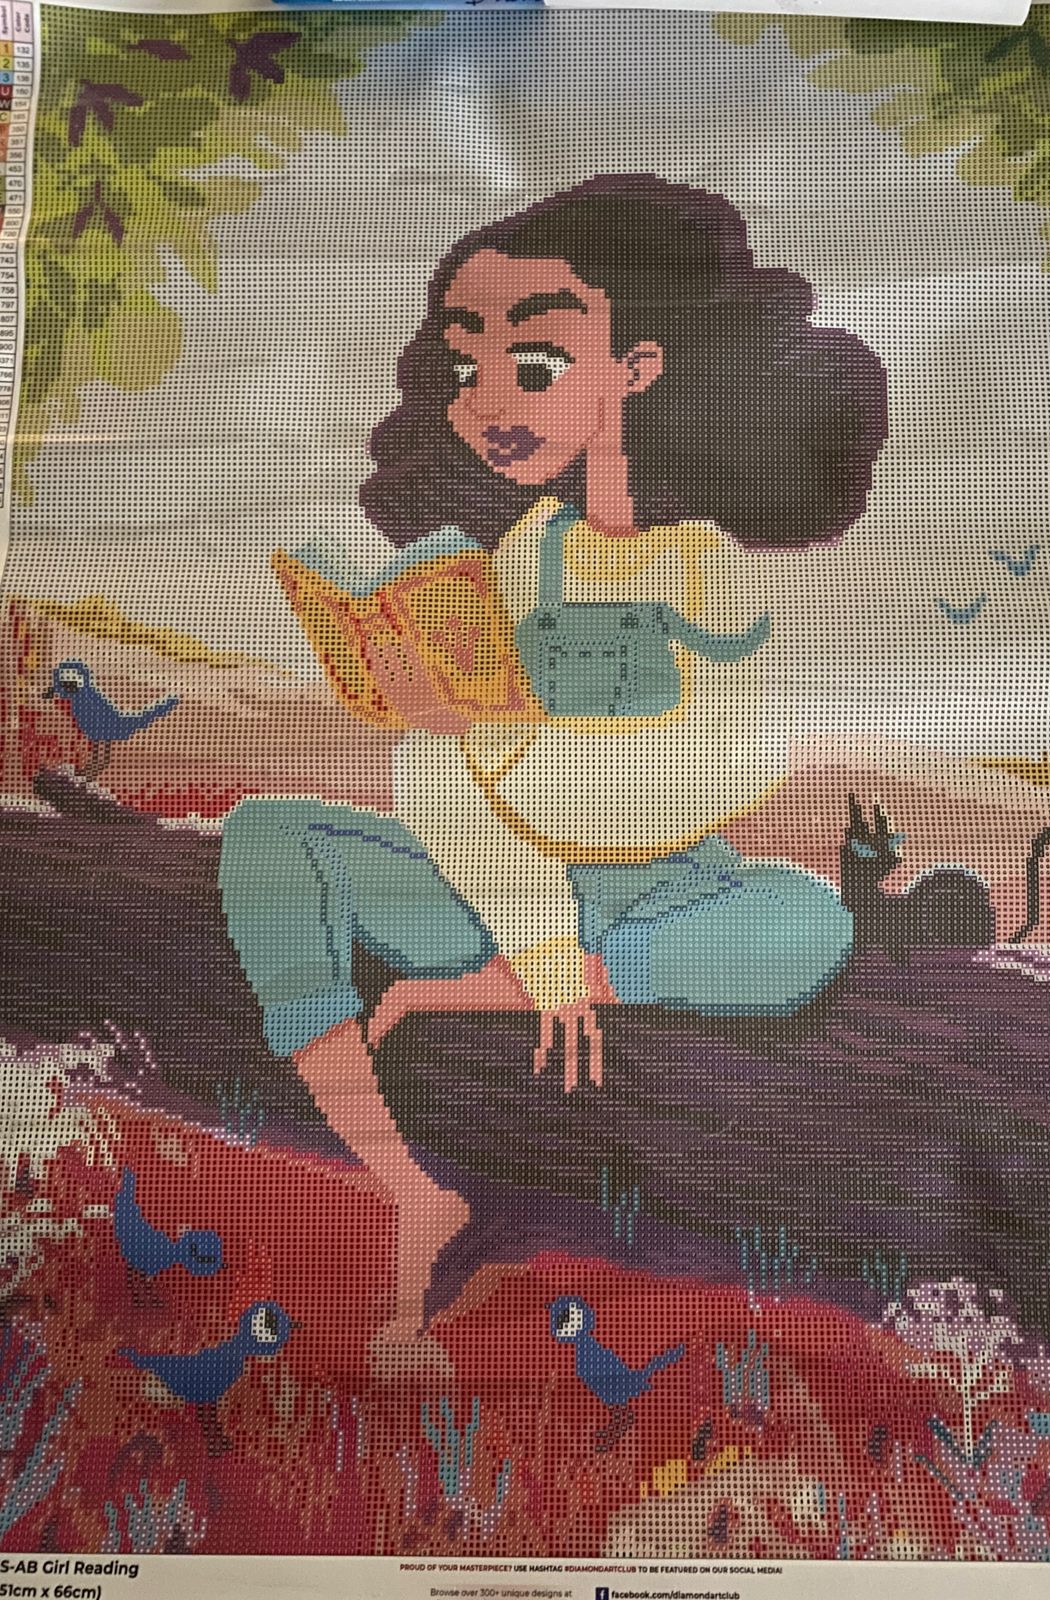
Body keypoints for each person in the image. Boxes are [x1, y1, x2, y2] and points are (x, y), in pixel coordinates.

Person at [218, 174, 888, 1353]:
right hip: (495, 883)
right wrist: (446, 737)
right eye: (464, 362)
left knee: (808, 927)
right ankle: (406, 1182)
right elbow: (456, 788)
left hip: (663, 891)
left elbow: (735, 756)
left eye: (532, 362)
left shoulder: (701, 562)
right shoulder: (516, 553)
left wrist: (525, 927)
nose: (485, 399)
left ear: (637, 368)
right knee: (269, 836)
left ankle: (504, 984)